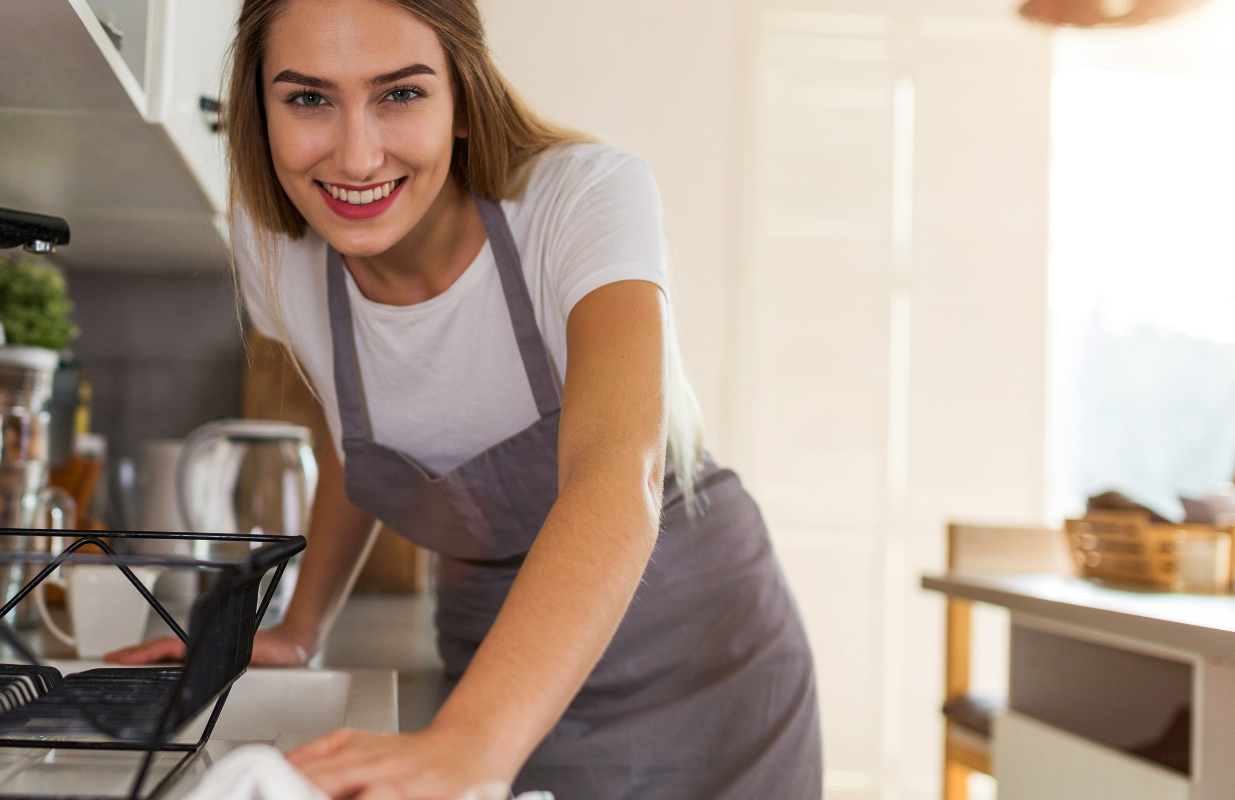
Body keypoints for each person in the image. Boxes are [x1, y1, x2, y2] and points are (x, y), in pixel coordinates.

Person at [106, 1, 821, 797]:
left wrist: (473, 742)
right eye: (308, 98)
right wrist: (300, 628)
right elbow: (359, 443)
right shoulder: (273, 245)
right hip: (492, 658)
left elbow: (617, 472)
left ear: (462, 96)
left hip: (701, 655)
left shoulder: (583, 200)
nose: (355, 153)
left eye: (400, 94)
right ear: (257, 109)